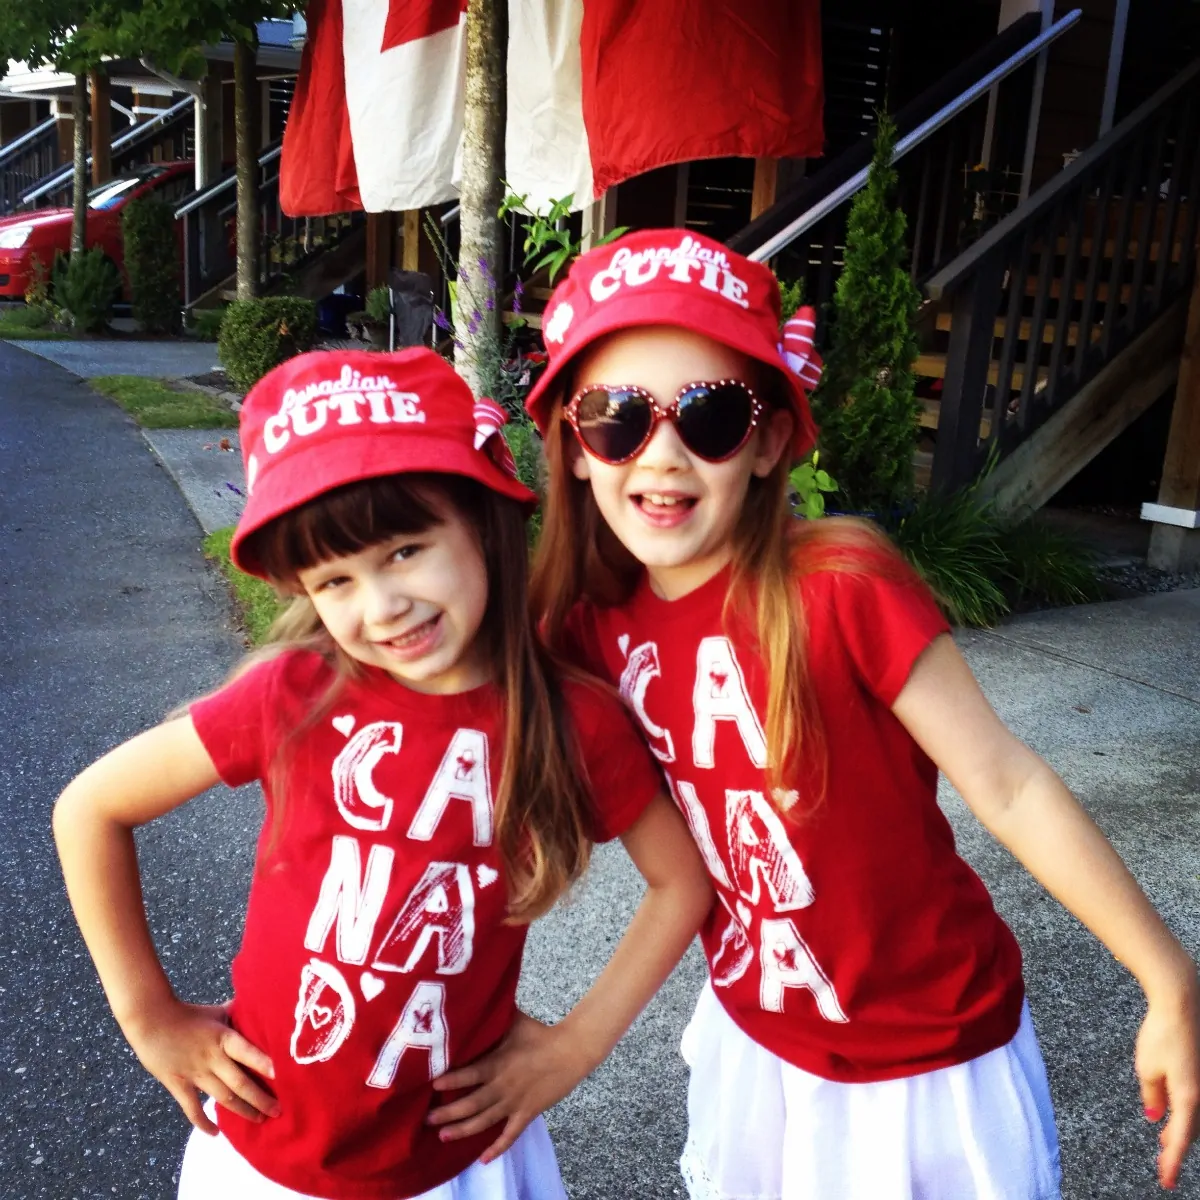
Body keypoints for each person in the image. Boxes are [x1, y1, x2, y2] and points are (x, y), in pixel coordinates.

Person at [517, 228, 1200, 1198]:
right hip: (759, 1044)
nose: (661, 454)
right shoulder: (588, 626)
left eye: (707, 415)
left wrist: (1165, 975)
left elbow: (1006, 784)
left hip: (930, 1058)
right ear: (575, 450)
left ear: (766, 442)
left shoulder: (842, 584)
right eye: (616, 416)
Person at [53, 348, 713, 1200]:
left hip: (454, 1160)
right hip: (266, 1150)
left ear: (479, 519)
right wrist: (148, 1017)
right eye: (336, 578)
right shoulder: (293, 692)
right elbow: (90, 810)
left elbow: (682, 881)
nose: (381, 605)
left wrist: (576, 1045)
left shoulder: (568, 720)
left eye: (405, 550)